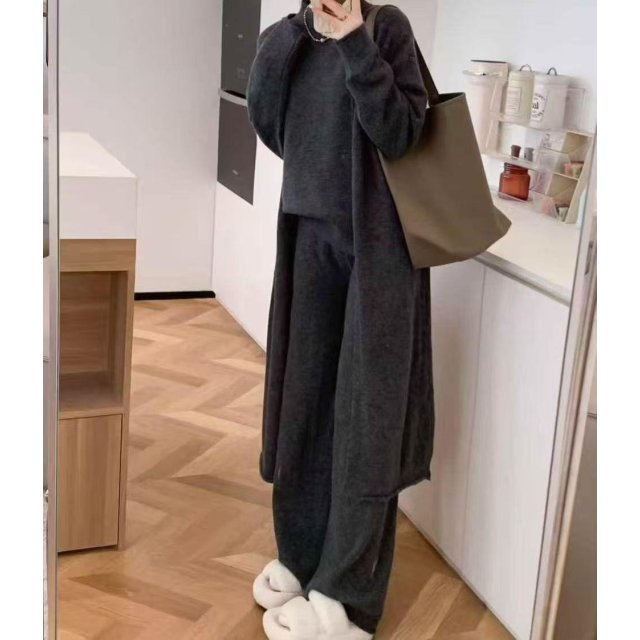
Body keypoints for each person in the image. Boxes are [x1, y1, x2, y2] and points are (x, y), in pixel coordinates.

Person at [246, 1, 435, 638]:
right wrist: (300, 32)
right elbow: (269, 123)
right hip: (309, 239)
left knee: (366, 421)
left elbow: (403, 133)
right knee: (301, 407)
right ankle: (301, 559)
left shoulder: (387, 28)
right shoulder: (288, 38)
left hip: (378, 254)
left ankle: (347, 598)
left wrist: (355, 42)